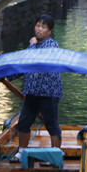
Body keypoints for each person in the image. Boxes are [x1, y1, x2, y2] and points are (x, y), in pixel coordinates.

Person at [14, 13, 63, 160]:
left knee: (52, 125)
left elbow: (32, 60)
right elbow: (23, 65)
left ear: (50, 31)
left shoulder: (52, 45)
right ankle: (22, 152)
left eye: (43, 27)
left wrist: (32, 44)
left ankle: (55, 155)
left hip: (49, 93)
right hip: (32, 92)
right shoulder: (33, 46)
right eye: (37, 25)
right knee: (23, 123)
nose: (39, 29)